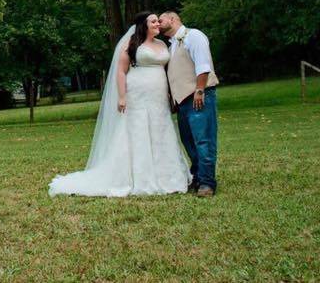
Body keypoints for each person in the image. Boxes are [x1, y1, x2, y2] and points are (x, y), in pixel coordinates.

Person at [48, 12, 191, 197]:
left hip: (159, 95)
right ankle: (138, 177)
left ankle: (167, 177)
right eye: (153, 21)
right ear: (143, 25)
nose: (158, 24)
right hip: (137, 94)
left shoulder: (163, 44)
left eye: (158, 21)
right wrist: (122, 97)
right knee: (138, 130)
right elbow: (121, 71)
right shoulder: (132, 44)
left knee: (161, 129)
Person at [157, 11, 220, 197]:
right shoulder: (173, 45)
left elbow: (203, 65)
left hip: (198, 96)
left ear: (172, 19)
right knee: (189, 141)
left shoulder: (193, 36)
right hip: (183, 101)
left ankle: (207, 183)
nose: (158, 24)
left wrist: (199, 90)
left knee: (203, 139)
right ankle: (198, 177)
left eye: (161, 20)